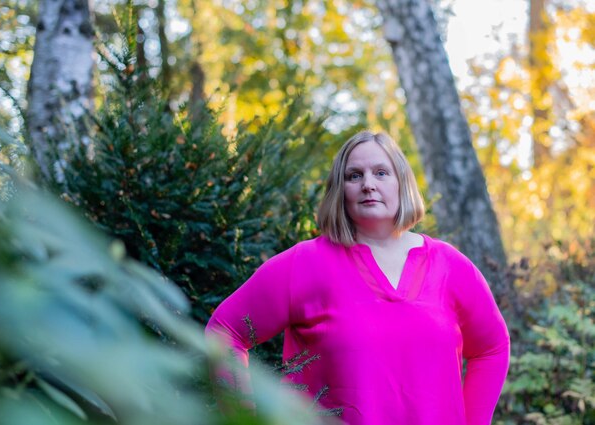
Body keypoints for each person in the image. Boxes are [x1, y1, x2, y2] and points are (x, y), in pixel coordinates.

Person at [205, 130, 510, 425]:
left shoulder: (450, 267)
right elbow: (225, 331)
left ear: (402, 183)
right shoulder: (305, 264)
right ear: (341, 190)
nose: (368, 184)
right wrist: (241, 417)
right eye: (354, 176)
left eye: (381, 173)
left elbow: (492, 348)